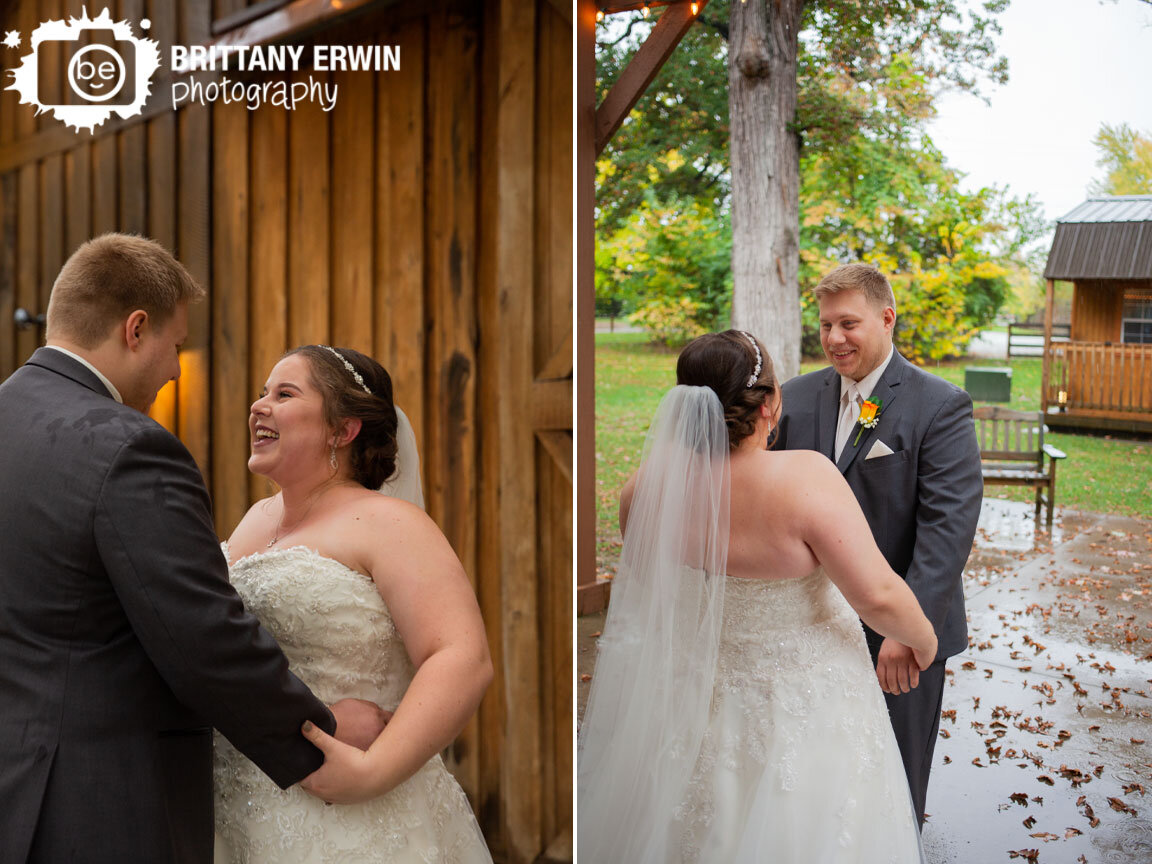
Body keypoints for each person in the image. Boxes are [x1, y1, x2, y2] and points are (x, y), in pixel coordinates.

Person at [0, 234, 378, 864]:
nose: (176, 368)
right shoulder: (129, 448)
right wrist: (319, 736)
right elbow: (200, 636)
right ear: (135, 329)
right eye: (175, 345)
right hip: (97, 803)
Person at [577, 330, 937, 862]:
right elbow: (878, 595)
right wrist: (923, 639)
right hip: (805, 703)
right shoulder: (805, 477)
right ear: (768, 405)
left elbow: (655, 597)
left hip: (692, 697)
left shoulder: (646, 489)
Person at [212, 344, 494, 863]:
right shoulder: (254, 519)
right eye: (261, 393)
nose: (259, 406)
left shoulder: (390, 524)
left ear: (342, 431)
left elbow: (462, 658)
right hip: (239, 804)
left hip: (350, 816)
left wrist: (372, 772)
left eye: (285, 393)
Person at [775, 262, 983, 823]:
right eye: (824, 326)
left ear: (886, 318)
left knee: (894, 779)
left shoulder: (939, 405)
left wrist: (903, 627)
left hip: (896, 635)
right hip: (807, 626)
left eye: (848, 324)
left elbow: (947, 531)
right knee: (815, 776)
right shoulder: (793, 398)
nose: (834, 339)